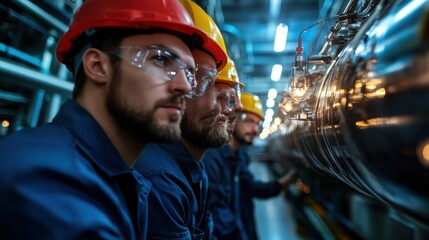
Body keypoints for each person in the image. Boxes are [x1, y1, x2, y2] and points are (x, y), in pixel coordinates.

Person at [0, 0, 214, 239]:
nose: (184, 86)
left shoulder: (121, 180)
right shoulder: (47, 184)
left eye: (189, 72)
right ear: (97, 65)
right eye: (162, 59)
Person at [133, 1, 244, 239]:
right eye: (162, 62)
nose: (230, 111)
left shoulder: (196, 171)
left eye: (232, 103)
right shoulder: (160, 177)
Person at [205, 92, 298, 240]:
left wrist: (283, 183)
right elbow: (218, 216)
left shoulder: (240, 156)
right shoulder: (212, 159)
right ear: (232, 119)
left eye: (257, 123)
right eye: (248, 120)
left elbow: (251, 187)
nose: (255, 129)